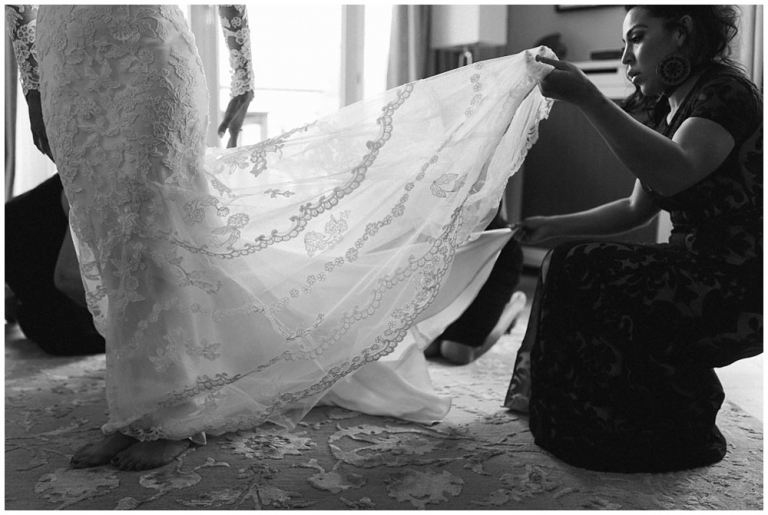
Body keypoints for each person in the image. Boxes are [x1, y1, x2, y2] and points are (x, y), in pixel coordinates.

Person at [8, 5, 557, 471]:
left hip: (145, 48)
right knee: (111, 241)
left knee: (153, 233)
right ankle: (140, 406)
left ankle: (164, 416)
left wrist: (244, 76)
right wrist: (33, 88)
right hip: (67, 59)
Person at [505, 5, 762, 473]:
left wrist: (588, 97)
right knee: (565, 259)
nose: (626, 57)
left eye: (637, 38)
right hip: (693, 266)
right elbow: (634, 209)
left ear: (681, 32)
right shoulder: (671, 107)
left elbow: (677, 170)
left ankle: (656, 423)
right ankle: (587, 418)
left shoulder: (726, 94)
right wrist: (552, 225)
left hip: (738, 287)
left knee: (578, 267)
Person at [5, 173, 106, 355]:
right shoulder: (97, 184)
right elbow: (68, 279)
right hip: (21, 239)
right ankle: (16, 303)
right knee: (67, 336)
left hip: (47, 222)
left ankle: (13, 299)